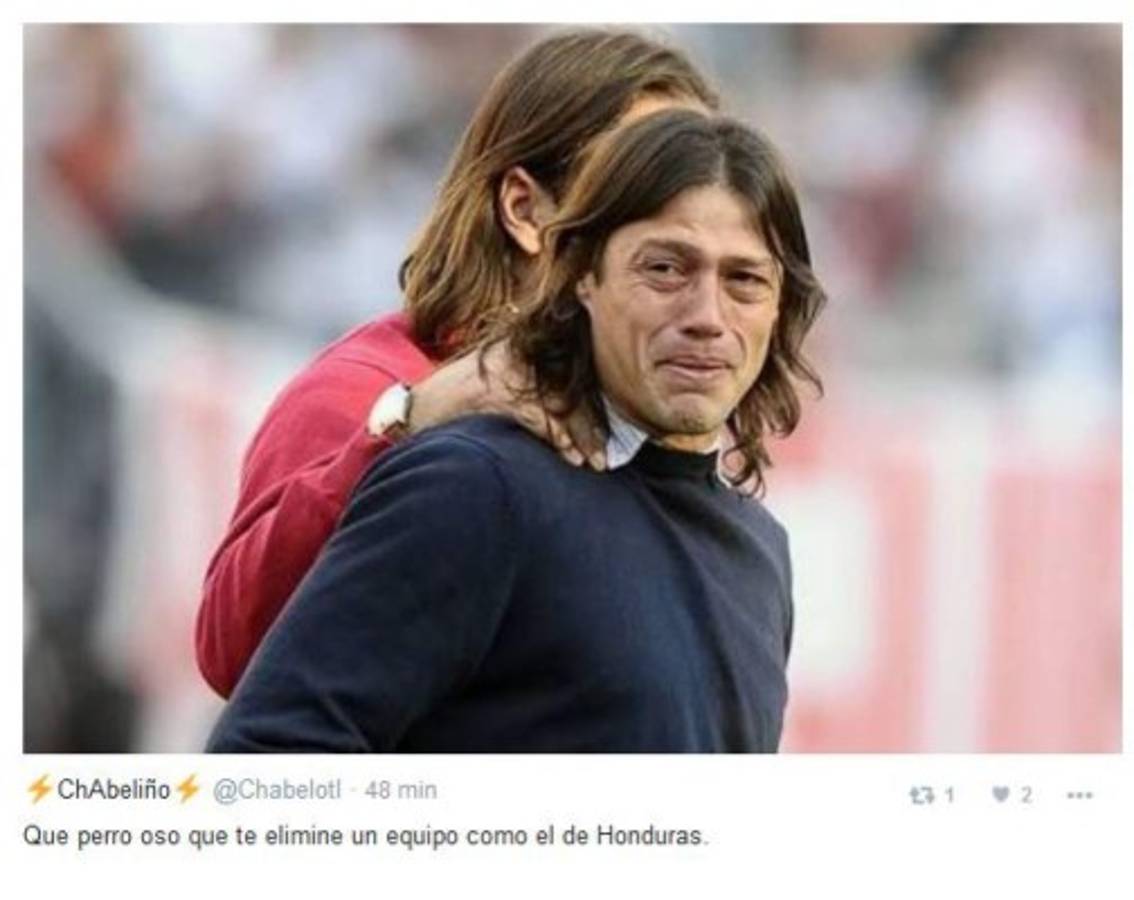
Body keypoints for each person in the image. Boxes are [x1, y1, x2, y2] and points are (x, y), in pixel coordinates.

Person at [206, 108, 827, 753]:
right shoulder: (474, 485)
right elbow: (264, 758)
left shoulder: (761, 550)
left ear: (782, 305)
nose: (707, 316)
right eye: (666, 269)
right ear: (582, 275)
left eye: (745, 280)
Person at [194, 28, 719, 698]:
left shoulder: (669, 443)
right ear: (525, 210)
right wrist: (405, 426)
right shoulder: (365, 391)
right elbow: (235, 653)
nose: (677, 230)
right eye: (638, 188)